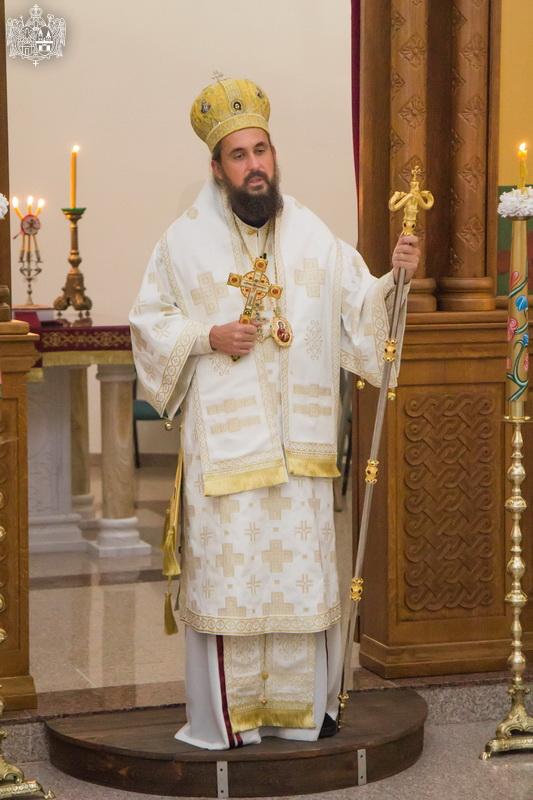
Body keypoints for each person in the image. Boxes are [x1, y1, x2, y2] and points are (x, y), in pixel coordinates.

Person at [129, 76, 419, 750]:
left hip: (299, 456)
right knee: (233, 583)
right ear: (216, 167)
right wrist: (207, 336)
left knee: (296, 581)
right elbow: (148, 325)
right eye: (239, 155)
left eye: (261, 150)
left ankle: (298, 716)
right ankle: (228, 722)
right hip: (227, 460)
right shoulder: (182, 243)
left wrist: (395, 279)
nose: (254, 165)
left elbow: (358, 309)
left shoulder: (311, 234)